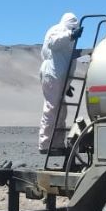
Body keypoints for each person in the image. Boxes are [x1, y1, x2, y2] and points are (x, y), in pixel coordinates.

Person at [38, 12, 81, 154]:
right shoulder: (58, 30)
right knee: (52, 108)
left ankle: (56, 143)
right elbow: (52, 43)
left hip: (60, 75)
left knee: (61, 110)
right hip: (53, 73)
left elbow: (65, 58)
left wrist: (68, 83)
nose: (75, 28)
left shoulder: (67, 34)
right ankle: (45, 144)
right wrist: (70, 35)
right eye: (73, 25)